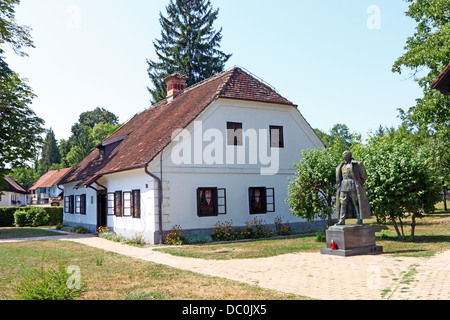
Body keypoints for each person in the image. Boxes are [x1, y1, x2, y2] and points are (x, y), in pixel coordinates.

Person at [335, 150, 371, 225]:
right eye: (343, 155)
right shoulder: (341, 166)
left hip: (353, 185)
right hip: (344, 186)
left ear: (350, 155)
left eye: (346, 155)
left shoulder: (357, 164)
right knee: (343, 203)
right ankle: (342, 220)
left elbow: (364, 176)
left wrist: (359, 184)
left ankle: (359, 219)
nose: (344, 156)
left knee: (356, 203)